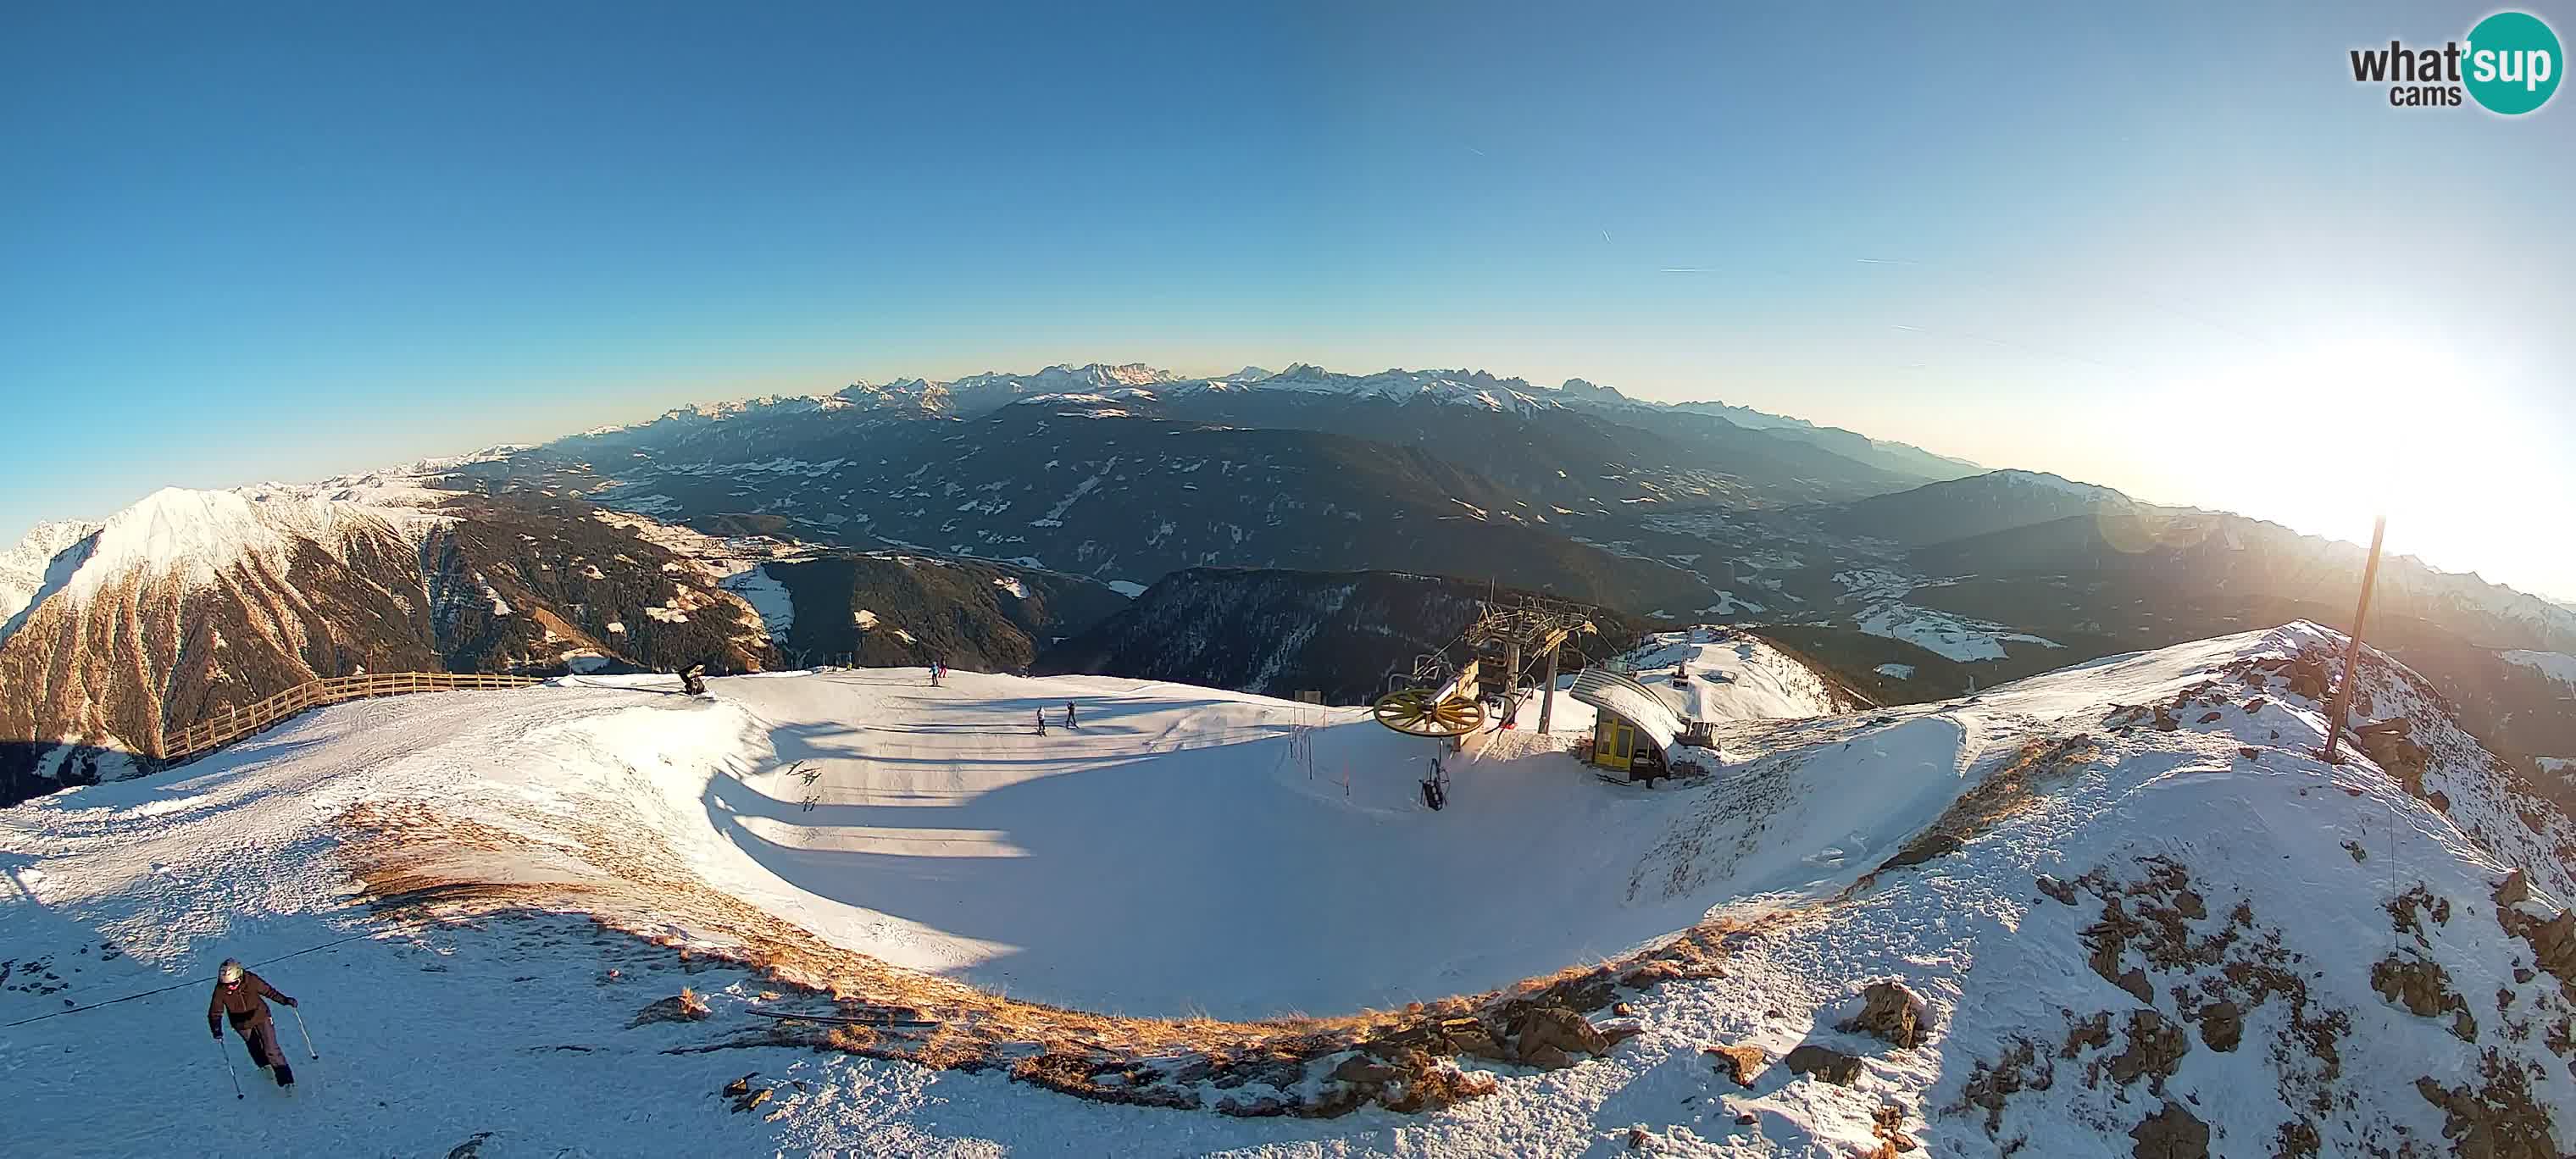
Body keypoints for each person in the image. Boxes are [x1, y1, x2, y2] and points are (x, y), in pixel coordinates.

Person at [208, 958, 297, 1087]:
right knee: (254, 1046)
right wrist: (216, 1029)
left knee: (271, 1048)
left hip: (261, 1016)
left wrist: (285, 1000)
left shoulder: (251, 980)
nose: (231, 987)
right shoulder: (220, 990)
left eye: (234, 983)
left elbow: (269, 991)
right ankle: (264, 1066)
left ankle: (286, 1081)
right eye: (227, 984)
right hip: (241, 1023)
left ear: (240, 975)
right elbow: (215, 1012)